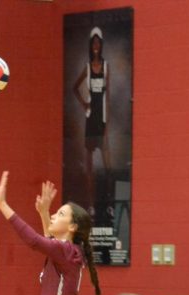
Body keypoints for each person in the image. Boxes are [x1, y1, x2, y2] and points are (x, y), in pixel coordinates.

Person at [72, 27, 112, 205]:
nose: (96, 45)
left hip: (101, 118)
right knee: (89, 166)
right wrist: (83, 103)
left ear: (101, 45)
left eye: (98, 42)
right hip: (90, 117)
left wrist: (107, 126)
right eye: (93, 43)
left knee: (106, 163)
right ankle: (91, 204)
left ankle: (109, 200)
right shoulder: (88, 68)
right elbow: (75, 88)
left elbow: (108, 95)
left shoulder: (105, 66)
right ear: (91, 45)